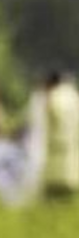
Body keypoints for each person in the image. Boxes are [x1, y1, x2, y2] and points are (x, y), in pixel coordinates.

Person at [38, 70, 79, 198]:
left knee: (56, 170)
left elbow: (51, 112)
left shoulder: (54, 95)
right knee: (70, 166)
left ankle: (55, 193)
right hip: (72, 138)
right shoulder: (73, 95)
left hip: (56, 139)